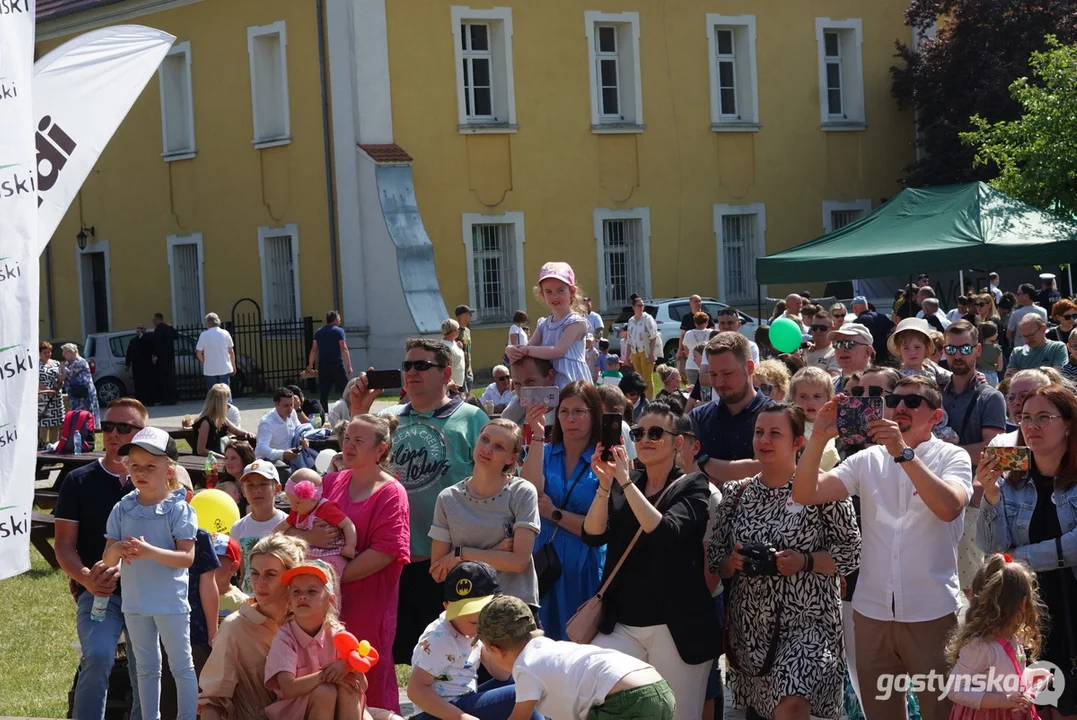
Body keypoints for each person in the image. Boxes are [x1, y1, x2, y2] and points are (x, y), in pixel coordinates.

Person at [793, 375, 973, 720]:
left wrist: (903, 454)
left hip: (931, 613)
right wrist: (818, 436)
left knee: (940, 713)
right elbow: (805, 493)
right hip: (872, 612)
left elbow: (949, 507)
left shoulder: (953, 456)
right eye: (895, 401)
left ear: (936, 416)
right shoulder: (868, 459)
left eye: (913, 402)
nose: (900, 407)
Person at [713, 403, 860, 720]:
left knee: (790, 706)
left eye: (775, 434)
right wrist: (734, 562)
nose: (764, 440)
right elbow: (716, 559)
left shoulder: (826, 488)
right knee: (764, 711)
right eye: (759, 432)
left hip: (809, 625)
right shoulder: (737, 493)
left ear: (798, 443)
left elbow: (851, 553)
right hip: (751, 632)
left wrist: (805, 561)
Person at [346, 338, 487, 669]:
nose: (411, 372)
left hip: (445, 561)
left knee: (452, 662)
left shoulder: (472, 419)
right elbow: (356, 467)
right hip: (389, 560)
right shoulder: (388, 418)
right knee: (383, 655)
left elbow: (491, 486)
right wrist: (358, 413)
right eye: (407, 366)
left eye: (422, 365)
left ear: (446, 373)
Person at [583, 402, 719, 720]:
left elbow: (665, 533)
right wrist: (605, 484)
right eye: (639, 432)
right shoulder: (622, 483)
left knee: (678, 715)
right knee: (597, 699)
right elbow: (592, 534)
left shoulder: (694, 486)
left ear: (678, 443)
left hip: (677, 627)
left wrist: (626, 483)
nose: (645, 439)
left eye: (656, 433)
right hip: (621, 624)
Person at [293, 413, 411, 712]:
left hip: (367, 606)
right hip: (324, 605)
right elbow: (295, 521)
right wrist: (305, 540)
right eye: (347, 438)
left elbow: (385, 553)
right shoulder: (330, 482)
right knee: (322, 680)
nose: (349, 445)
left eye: (359, 440)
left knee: (365, 679)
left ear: (380, 449)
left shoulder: (391, 493)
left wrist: (326, 578)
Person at [977, 385, 1077, 717]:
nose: (1031, 426)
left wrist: (1019, 558)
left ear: (1069, 424)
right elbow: (992, 550)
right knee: (1037, 703)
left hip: (1072, 601)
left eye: (1044, 417)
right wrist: (990, 494)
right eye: (1024, 417)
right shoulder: (1011, 481)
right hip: (1031, 610)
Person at [54, 399, 146, 720]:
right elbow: (64, 546)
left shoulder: (155, 482)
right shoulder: (78, 480)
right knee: (97, 655)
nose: (113, 434)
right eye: (107, 427)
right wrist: (85, 578)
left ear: (142, 433)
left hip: (147, 595)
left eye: (124, 428)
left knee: (146, 668)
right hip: (97, 593)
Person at [102, 428, 198, 720]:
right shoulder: (123, 507)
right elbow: (107, 558)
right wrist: (117, 549)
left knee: (181, 666)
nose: (141, 472)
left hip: (170, 603)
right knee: (145, 668)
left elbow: (187, 558)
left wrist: (150, 552)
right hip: (135, 603)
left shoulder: (178, 509)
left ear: (169, 470)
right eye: (135, 466)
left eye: (150, 467)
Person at [477, 595, 676, 720]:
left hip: (625, 699)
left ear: (496, 649)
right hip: (658, 687)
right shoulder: (552, 649)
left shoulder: (525, 666)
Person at [520, 381, 607, 639]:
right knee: (541, 639)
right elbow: (530, 494)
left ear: (594, 415)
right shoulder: (545, 451)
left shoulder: (603, 459)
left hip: (585, 561)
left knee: (580, 642)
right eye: (564, 412)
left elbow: (601, 526)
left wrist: (554, 514)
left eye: (579, 412)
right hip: (544, 556)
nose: (571, 419)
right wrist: (536, 434)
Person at [429, 419, 541, 615]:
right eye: (485, 440)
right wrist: (496, 552)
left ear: (511, 458)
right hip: (465, 610)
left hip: (512, 609)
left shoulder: (522, 492)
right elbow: (438, 572)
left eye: (499, 447)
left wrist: (461, 554)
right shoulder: (447, 498)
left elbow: (518, 562)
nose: (487, 449)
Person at [409, 562, 541, 720]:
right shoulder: (440, 639)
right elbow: (415, 690)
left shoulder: (474, 631)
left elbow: (500, 674)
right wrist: (460, 717)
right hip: (436, 713)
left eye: (484, 620)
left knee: (526, 681)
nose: (480, 627)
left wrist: (509, 646)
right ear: (447, 607)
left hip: (462, 700)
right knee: (518, 694)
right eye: (473, 622)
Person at [198, 534, 309, 720]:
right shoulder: (234, 628)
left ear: (291, 578)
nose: (259, 583)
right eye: (255, 573)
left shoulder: (308, 621)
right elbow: (213, 701)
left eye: (270, 575)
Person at [264, 560, 377, 720]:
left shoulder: (338, 634)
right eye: (296, 591)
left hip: (340, 709)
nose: (302, 596)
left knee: (349, 689)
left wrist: (348, 666)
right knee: (326, 691)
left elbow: (363, 686)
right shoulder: (285, 637)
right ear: (289, 600)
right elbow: (288, 688)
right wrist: (327, 676)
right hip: (296, 713)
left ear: (329, 599)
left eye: (312, 591)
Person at [945, 555, 1048, 719]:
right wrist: (1004, 700)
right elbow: (954, 688)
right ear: (1023, 602)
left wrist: (1029, 677)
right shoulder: (981, 646)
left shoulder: (1012, 637)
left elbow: (1004, 676)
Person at [691, 332, 768, 484]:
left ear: (750, 367)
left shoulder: (777, 417)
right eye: (713, 374)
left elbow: (772, 470)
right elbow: (685, 469)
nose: (719, 382)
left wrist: (705, 464)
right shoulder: (697, 418)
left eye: (727, 373)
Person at [506, 261, 591, 389]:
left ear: (572, 291)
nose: (555, 296)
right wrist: (511, 349)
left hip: (571, 382)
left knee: (566, 407)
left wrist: (526, 350)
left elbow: (558, 351)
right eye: (549, 292)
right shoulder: (544, 324)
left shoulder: (575, 322)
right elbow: (528, 346)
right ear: (542, 294)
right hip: (547, 382)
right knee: (516, 407)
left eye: (560, 290)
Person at [274, 468, 358, 577]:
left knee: (330, 576)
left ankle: (331, 593)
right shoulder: (296, 512)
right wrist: (274, 535)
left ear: (314, 498)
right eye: (290, 501)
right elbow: (283, 525)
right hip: (308, 555)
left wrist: (350, 546)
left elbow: (348, 524)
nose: (293, 506)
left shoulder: (326, 508)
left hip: (332, 553)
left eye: (297, 502)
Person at [231, 461, 288, 593]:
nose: (256, 490)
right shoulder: (238, 528)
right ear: (243, 491)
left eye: (263, 484)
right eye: (250, 485)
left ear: (278, 489)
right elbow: (243, 569)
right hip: (250, 598)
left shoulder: (287, 523)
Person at [790, 367, 841, 471]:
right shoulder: (791, 425)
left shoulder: (834, 423)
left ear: (829, 398)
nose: (810, 402)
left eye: (817, 396)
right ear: (793, 399)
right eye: (803, 397)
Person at [307, 310, 353, 414]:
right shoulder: (339, 331)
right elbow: (344, 348)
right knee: (346, 390)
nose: (340, 320)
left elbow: (314, 349)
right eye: (339, 318)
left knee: (324, 393)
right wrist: (349, 365)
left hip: (323, 366)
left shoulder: (319, 332)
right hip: (336, 364)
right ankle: (349, 412)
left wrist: (310, 364)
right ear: (335, 319)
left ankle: (324, 415)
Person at [193, 384, 253, 456]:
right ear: (219, 404)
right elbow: (201, 450)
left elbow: (236, 431)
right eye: (226, 401)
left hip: (217, 455)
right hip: (206, 459)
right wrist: (222, 457)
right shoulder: (205, 423)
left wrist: (248, 433)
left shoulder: (221, 418)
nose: (228, 405)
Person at [255, 387, 306, 465]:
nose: (290, 409)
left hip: (291, 455)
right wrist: (282, 454)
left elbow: (299, 430)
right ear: (276, 404)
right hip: (269, 460)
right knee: (286, 471)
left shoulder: (292, 413)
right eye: (286, 406)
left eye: (291, 405)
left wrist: (303, 439)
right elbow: (262, 449)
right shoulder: (267, 422)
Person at [623, 295, 660, 399]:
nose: (641, 307)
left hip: (646, 351)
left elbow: (653, 337)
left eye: (642, 305)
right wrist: (627, 358)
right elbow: (629, 340)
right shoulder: (631, 320)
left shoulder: (648, 319)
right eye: (639, 305)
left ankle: (649, 400)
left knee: (647, 377)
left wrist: (652, 354)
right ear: (633, 307)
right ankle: (642, 398)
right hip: (635, 352)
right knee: (639, 378)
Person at [59, 342, 100, 427]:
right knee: (76, 413)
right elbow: (62, 375)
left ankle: (88, 428)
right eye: (63, 352)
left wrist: (63, 370)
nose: (64, 354)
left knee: (85, 413)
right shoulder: (68, 363)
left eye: (66, 352)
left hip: (84, 393)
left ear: (72, 352)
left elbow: (69, 373)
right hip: (74, 393)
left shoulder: (80, 362)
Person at [596, 384, 638, 461]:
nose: (613, 424)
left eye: (618, 418)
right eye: (607, 418)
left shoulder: (624, 428)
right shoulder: (587, 429)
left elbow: (629, 463)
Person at [195, 313, 237, 389]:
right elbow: (231, 351)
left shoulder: (204, 335)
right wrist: (233, 365)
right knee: (225, 393)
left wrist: (205, 360)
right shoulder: (225, 333)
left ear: (208, 323)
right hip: (224, 367)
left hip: (210, 369)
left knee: (213, 394)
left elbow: (198, 353)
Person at [830, 324, 875, 394]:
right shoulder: (828, 386)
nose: (842, 349)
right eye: (837, 344)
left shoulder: (879, 386)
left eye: (849, 344)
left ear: (868, 351)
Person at [678, 296, 713, 379]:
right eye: (695, 301)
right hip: (694, 360)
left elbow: (713, 330)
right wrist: (679, 350)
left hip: (698, 361)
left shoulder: (707, 315)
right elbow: (682, 334)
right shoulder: (686, 317)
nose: (698, 303)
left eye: (699, 301)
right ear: (690, 303)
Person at [851, 295, 895, 361]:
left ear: (855, 309)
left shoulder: (858, 322)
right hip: (884, 357)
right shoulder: (881, 316)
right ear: (867, 306)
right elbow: (894, 330)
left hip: (867, 358)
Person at [38, 340, 63, 447]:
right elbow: (33, 381)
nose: (48, 354)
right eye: (45, 352)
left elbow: (61, 379)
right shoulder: (35, 365)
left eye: (49, 352)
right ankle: (42, 451)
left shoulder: (56, 363)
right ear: (40, 353)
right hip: (43, 399)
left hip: (56, 399)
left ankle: (54, 448)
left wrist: (57, 387)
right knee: (43, 425)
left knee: (56, 425)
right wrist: (47, 390)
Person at [125, 325, 155, 406]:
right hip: (136, 365)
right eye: (138, 328)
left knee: (148, 383)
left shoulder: (149, 338)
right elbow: (129, 353)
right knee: (138, 384)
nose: (139, 330)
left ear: (145, 329)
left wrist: (142, 337)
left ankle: (149, 400)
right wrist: (127, 363)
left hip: (146, 365)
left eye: (141, 328)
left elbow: (150, 348)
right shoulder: (133, 340)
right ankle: (140, 401)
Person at [152, 312, 178, 405]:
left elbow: (157, 343)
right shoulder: (168, 328)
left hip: (161, 357)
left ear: (158, 319)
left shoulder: (158, 330)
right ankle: (173, 398)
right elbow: (176, 336)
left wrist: (155, 355)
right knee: (170, 378)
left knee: (163, 379)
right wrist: (171, 327)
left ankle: (165, 399)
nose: (153, 321)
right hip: (169, 357)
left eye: (154, 319)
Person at [805, 310, 841, 377]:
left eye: (823, 328)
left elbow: (831, 380)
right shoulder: (804, 348)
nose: (818, 331)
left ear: (832, 329)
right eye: (814, 327)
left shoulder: (835, 354)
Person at [454, 304, 475, 393]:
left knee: (468, 393)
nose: (471, 315)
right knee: (462, 394)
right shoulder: (455, 331)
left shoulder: (467, 331)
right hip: (460, 368)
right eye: (469, 313)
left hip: (468, 369)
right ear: (462, 315)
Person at [441, 318, 467, 388]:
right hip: (452, 386)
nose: (459, 331)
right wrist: (450, 383)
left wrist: (459, 347)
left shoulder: (453, 343)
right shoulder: (445, 347)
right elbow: (444, 368)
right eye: (458, 329)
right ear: (454, 330)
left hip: (460, 383)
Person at [976, 322, 1003, 387]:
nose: (997, 334)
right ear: (992, 334)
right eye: (996, 332)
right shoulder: (997, 348)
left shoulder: (977, 347)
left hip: (978, 375)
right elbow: (1000, 368)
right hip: (992, 376)